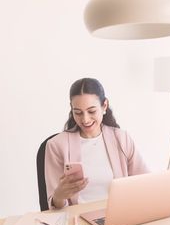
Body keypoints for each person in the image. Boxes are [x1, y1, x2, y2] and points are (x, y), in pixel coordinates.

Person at [45, 78, 149, 209]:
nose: (85, 119)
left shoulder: (121, 138)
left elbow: (146, 181)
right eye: (78, 113)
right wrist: (59, 196)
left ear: (104, 106)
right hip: (79, 220)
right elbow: (54, 206)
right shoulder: (56, 145)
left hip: (119, 214)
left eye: (91, 111)